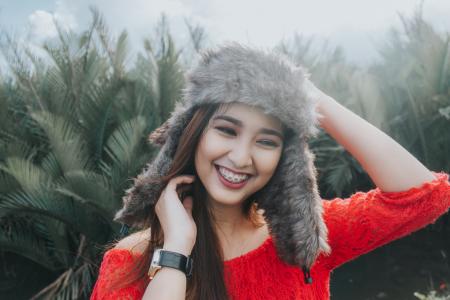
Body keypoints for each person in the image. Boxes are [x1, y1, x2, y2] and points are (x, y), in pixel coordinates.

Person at [90, 42, 450, 300]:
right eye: (227, 130)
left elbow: (425, 196)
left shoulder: (304, 238)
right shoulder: (130, 262)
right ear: (194, 133)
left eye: (266, 141)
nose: (242, 157)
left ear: (285, 156)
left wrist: (309, 96)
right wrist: (176, 249)